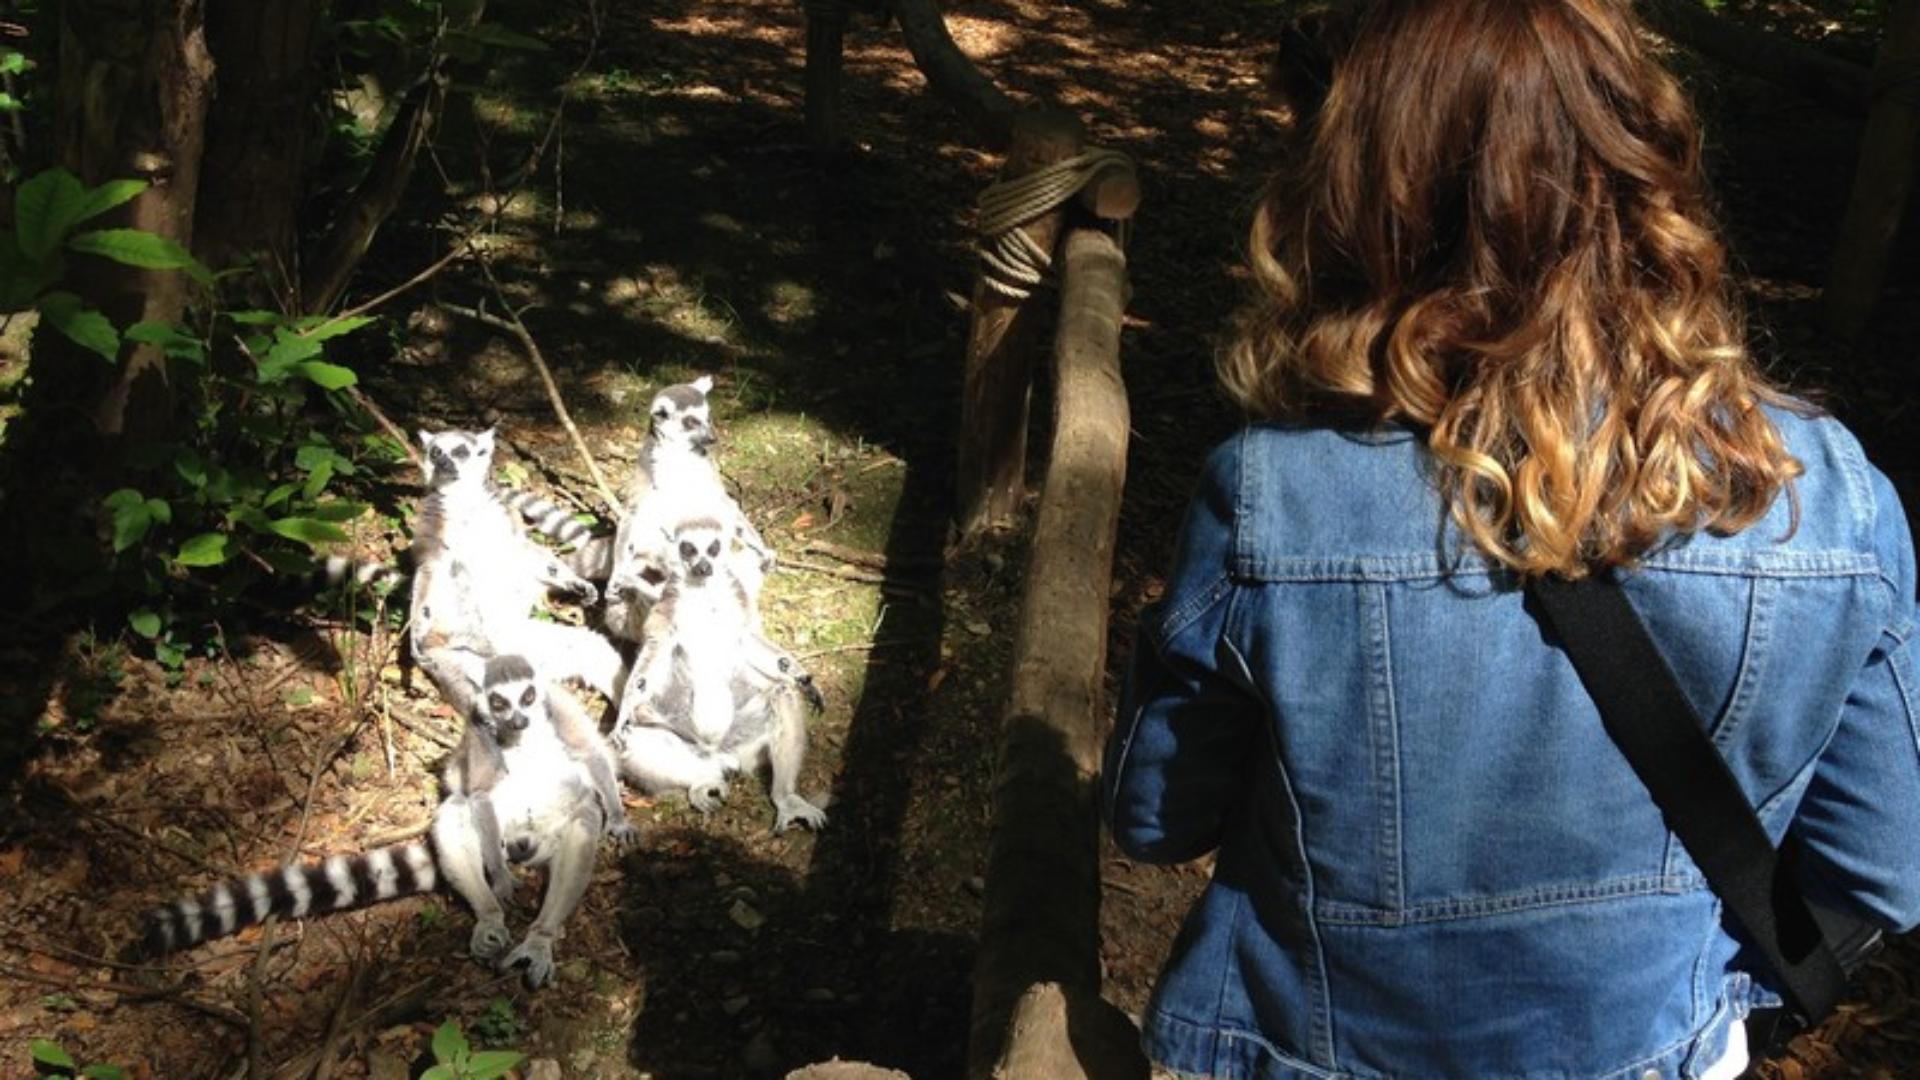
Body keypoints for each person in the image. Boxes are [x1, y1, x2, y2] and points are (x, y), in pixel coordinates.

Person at [1100, 1, 1920, 1077]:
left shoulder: (1273, 497)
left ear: (1354, 196)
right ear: (1640, 172)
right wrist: (1697, 989)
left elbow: (1157, 817)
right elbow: (1882, 872)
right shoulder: (1831, 499)